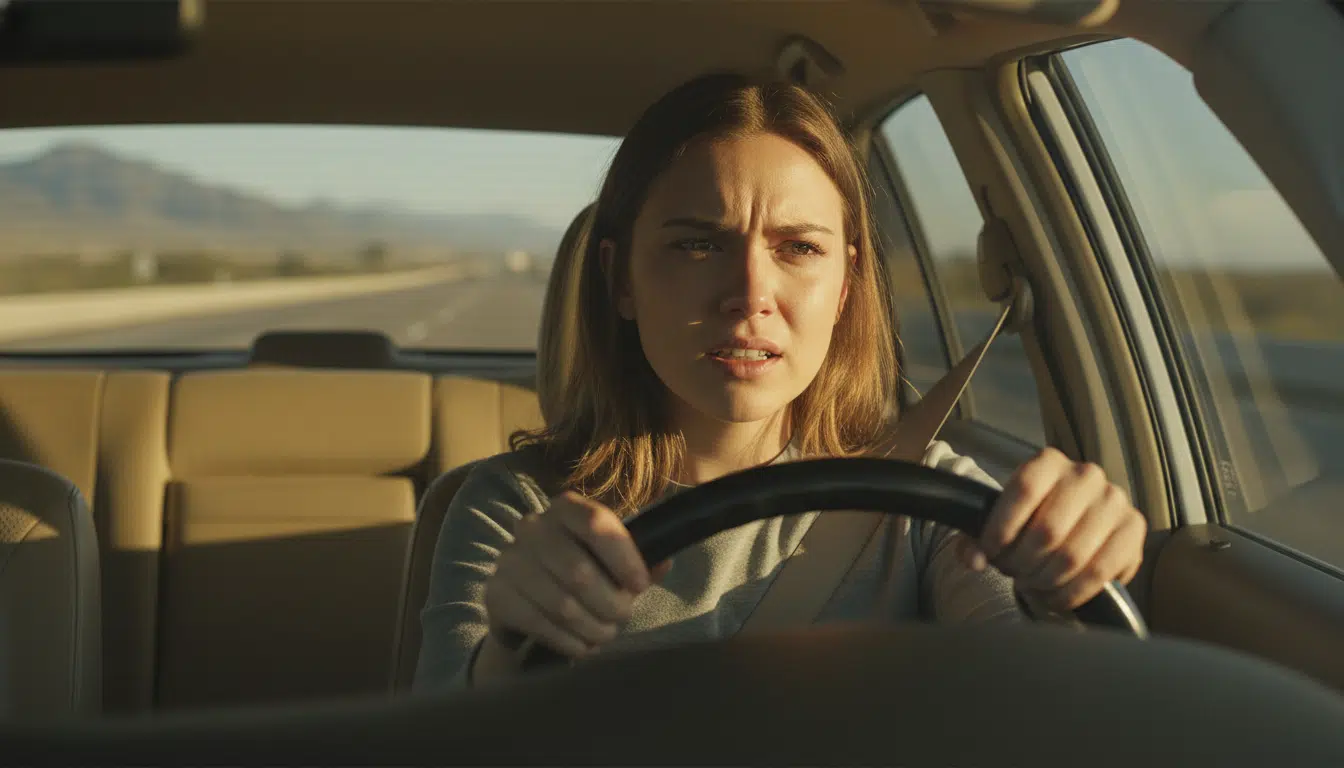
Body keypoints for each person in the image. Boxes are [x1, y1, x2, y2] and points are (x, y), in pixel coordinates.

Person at [413, 72, 1147, 691]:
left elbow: (1033, 696)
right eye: (698, 245)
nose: (750, 293)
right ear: (621, 281)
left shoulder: (930, 501)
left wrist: (1063, 580)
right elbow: (444, 746)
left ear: (846, 285)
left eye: (797, 248)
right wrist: (511, 649)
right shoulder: (517, 511)